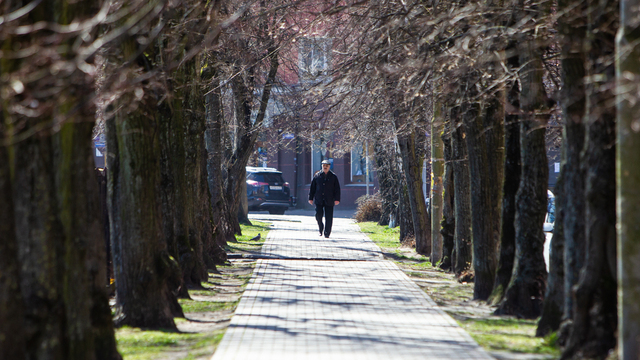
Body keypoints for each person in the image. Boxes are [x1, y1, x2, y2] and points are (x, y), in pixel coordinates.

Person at [308, 160, 341, 238]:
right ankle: (321, 228)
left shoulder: (333, 177)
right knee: (318, 215)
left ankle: (327, 233)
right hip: (319, 199)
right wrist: (310, 198)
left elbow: (337, 189)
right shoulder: (317, 176)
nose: (325, 167)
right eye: (324, 165)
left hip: (329, 199)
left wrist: (337, 199)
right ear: (321, 166)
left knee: (329, 217)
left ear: (329, 167)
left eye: (327, 165)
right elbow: (312, 188)